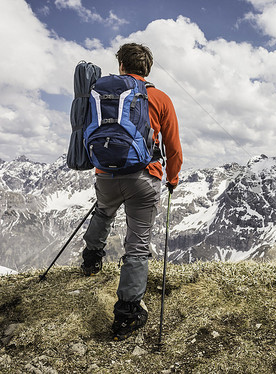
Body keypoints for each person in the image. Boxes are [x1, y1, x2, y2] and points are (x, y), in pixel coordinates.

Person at [80, 43, 183, 341]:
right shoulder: (160, 98)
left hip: (106, 175)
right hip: (143, 178)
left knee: (103, 211)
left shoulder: (102, 93)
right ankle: (127, 313)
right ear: (147, 69)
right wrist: (172, 179)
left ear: (122, 66)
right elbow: (174, 147)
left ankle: (91, 258)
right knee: (137, 244)